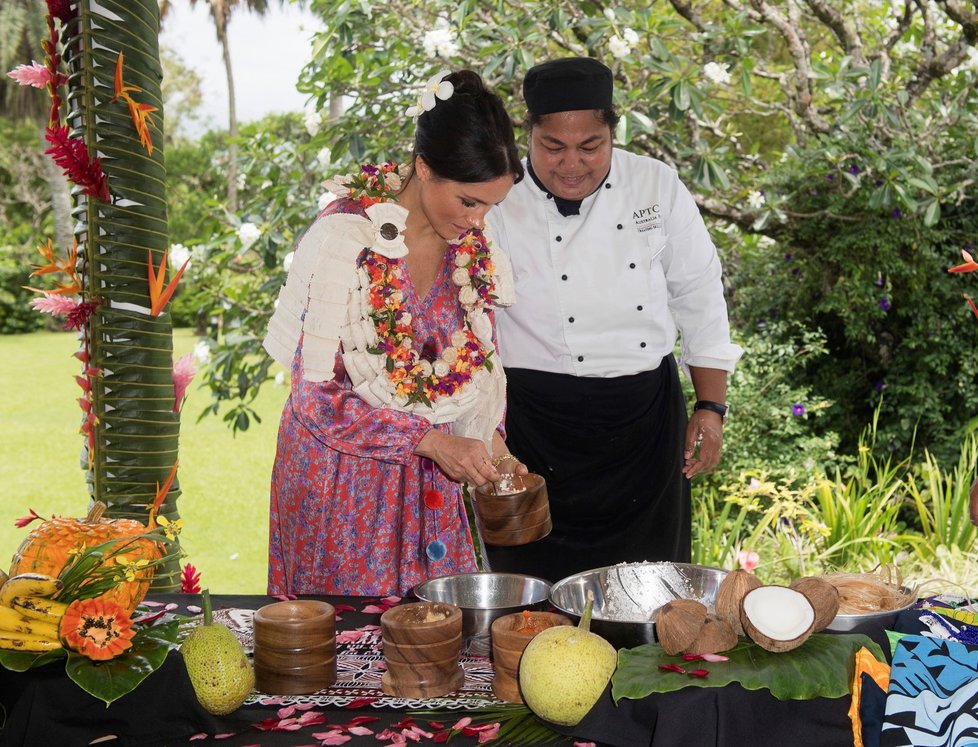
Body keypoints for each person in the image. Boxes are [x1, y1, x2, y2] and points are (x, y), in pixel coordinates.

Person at [262, 70, 527, 596]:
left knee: (437, 649)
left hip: (434, 485)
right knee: (345, 659)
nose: (478, 221)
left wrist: (492, 447)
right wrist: (424, 440)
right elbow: (314, 398)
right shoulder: (344, 238)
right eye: (470, 202)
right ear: (424, 167)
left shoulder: (471, 249)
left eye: (491, 206)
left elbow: (473, 370)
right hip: (344, 484)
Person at [485, 58, 743, 583]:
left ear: (613, 134)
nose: (571, 164)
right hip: (534, 422)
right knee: (533, 589)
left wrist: (712, 406)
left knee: (650, 587)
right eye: (553, 146)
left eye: (591, 146)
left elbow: (698, 292)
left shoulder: (655, 184)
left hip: (642, 419)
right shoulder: (495, 198)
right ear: (527, 134)